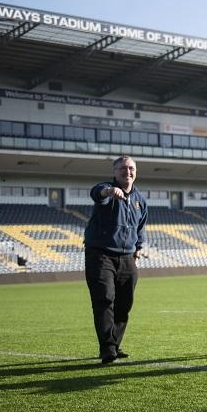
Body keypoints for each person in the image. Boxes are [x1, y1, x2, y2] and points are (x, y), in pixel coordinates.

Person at [84, 155, 148, 364]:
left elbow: (141, 227)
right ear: (114, 172)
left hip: (128, 257)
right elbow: (97, 193)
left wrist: (139, 246)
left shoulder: (140, 200)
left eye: (131, 169)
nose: (127, 172)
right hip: (100, 254)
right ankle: (108, 348)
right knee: (104, 299)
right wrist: (109, 191)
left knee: (124, 304)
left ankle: (115, 344)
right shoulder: (107, 189)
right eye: (122, 168)